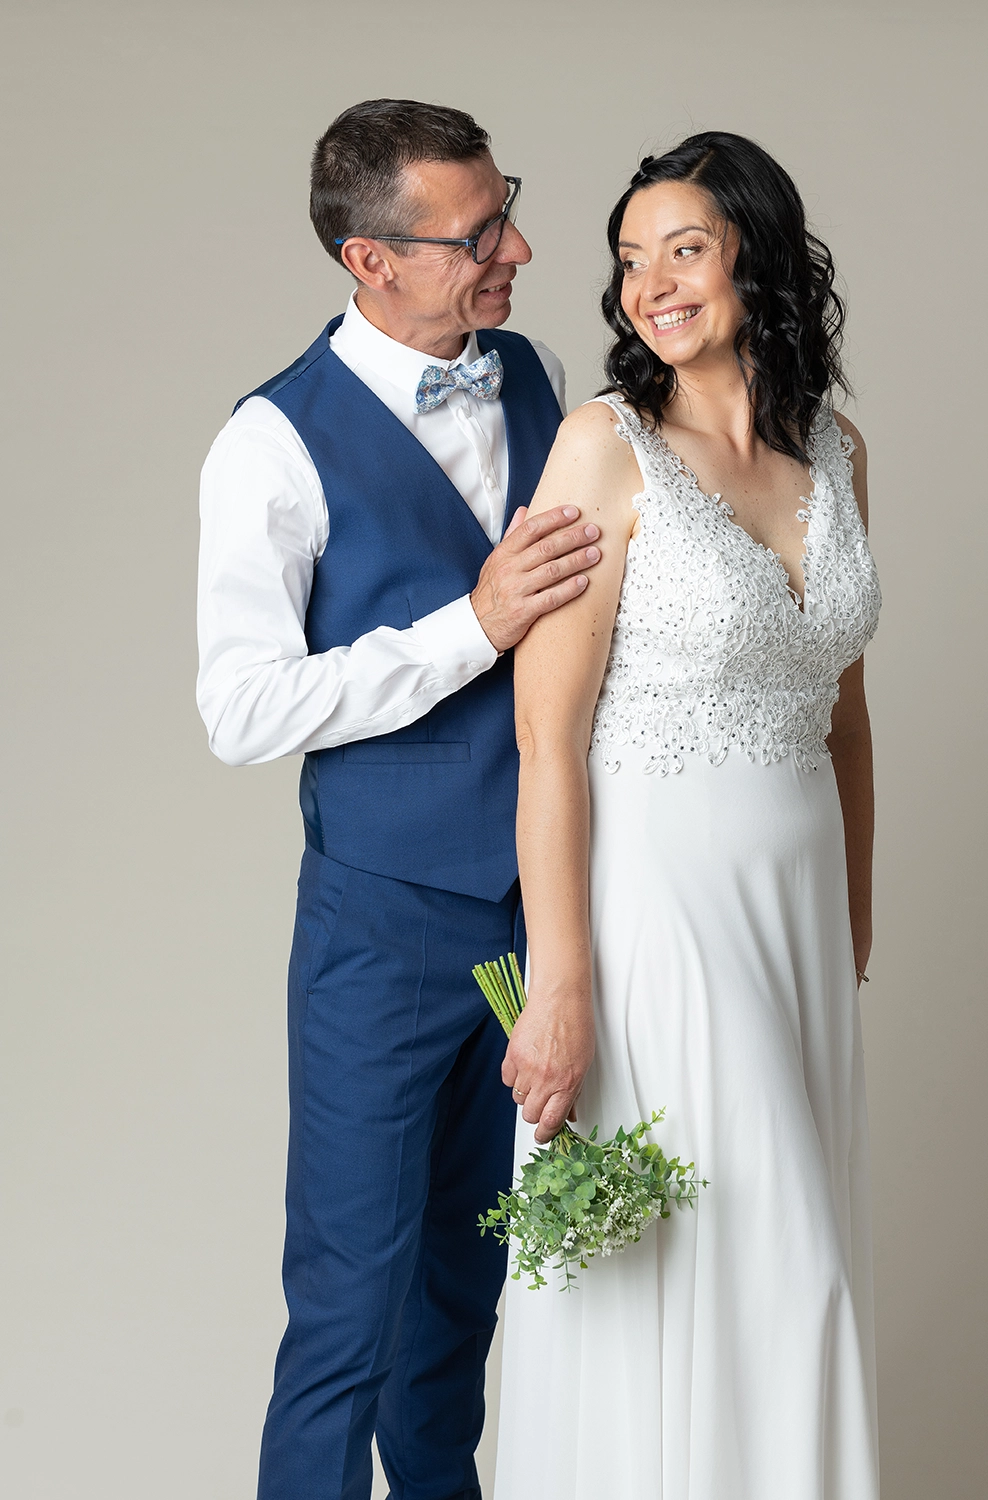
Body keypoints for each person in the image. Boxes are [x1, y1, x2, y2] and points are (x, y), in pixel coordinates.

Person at [196, 99, 604, 1500]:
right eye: (479, 233)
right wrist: (464, 629)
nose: (521, 249)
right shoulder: (271, 442)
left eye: (509, 209)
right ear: (369, 259)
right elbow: (238, 710)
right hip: (382, 931)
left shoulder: (541, 375)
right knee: (348, 1321)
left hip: (539, 927)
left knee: (466, 1304)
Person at [493, 132, 882, 1498]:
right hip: (655, 904)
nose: (649, 283)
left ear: (756, 258)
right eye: (628, 257)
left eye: (685, 248)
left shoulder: (838, 451)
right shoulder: (602, 448)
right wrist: (561, 979)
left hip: (796, 923)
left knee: (788, 1262)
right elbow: (546, 739)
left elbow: (844, 712)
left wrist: (854, 924)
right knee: (711, 1256)